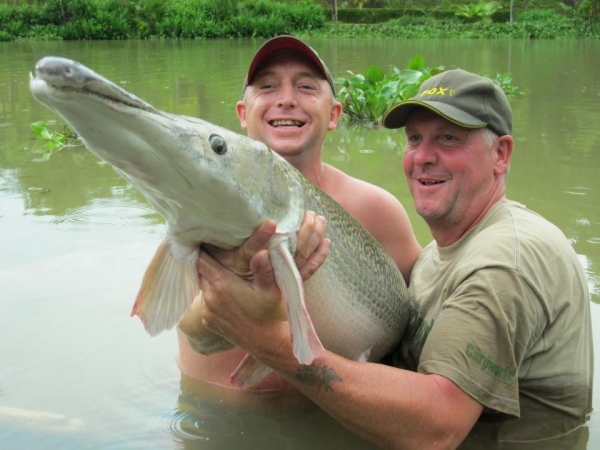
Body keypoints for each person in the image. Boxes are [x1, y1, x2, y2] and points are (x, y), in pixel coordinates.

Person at [191, 69, 593, 447]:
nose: (423, 157)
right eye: (415, 139)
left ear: (501, 155)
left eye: (449, 139)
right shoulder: (441, 250)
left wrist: (273, 344)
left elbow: (438, 427)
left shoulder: (507, 261)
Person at [176, 35, 422, 390]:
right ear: (243, 115)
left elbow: (423, 307)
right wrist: (240, 293)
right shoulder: (201, 206)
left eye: (306, 86)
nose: (287, 100)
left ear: (334, 114)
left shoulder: (377, 210)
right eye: (268, 86)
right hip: (212, 426)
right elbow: (188, 325)